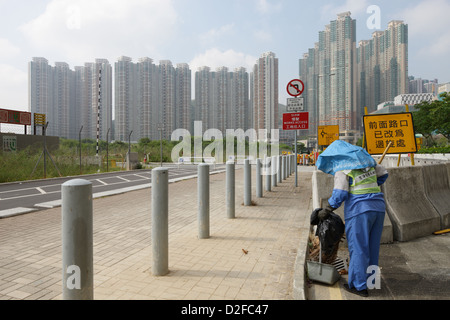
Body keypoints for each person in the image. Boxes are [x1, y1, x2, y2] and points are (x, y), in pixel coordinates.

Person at [317, 163, 389, 297]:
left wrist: (327, 210)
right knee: (373, 247)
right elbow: (383, 175)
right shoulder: (368, 161)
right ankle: (371, 281)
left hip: (359, 210)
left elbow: (340, 193)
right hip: (378, 207)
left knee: (358, 248)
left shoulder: (343, 167)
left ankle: (359, 286)